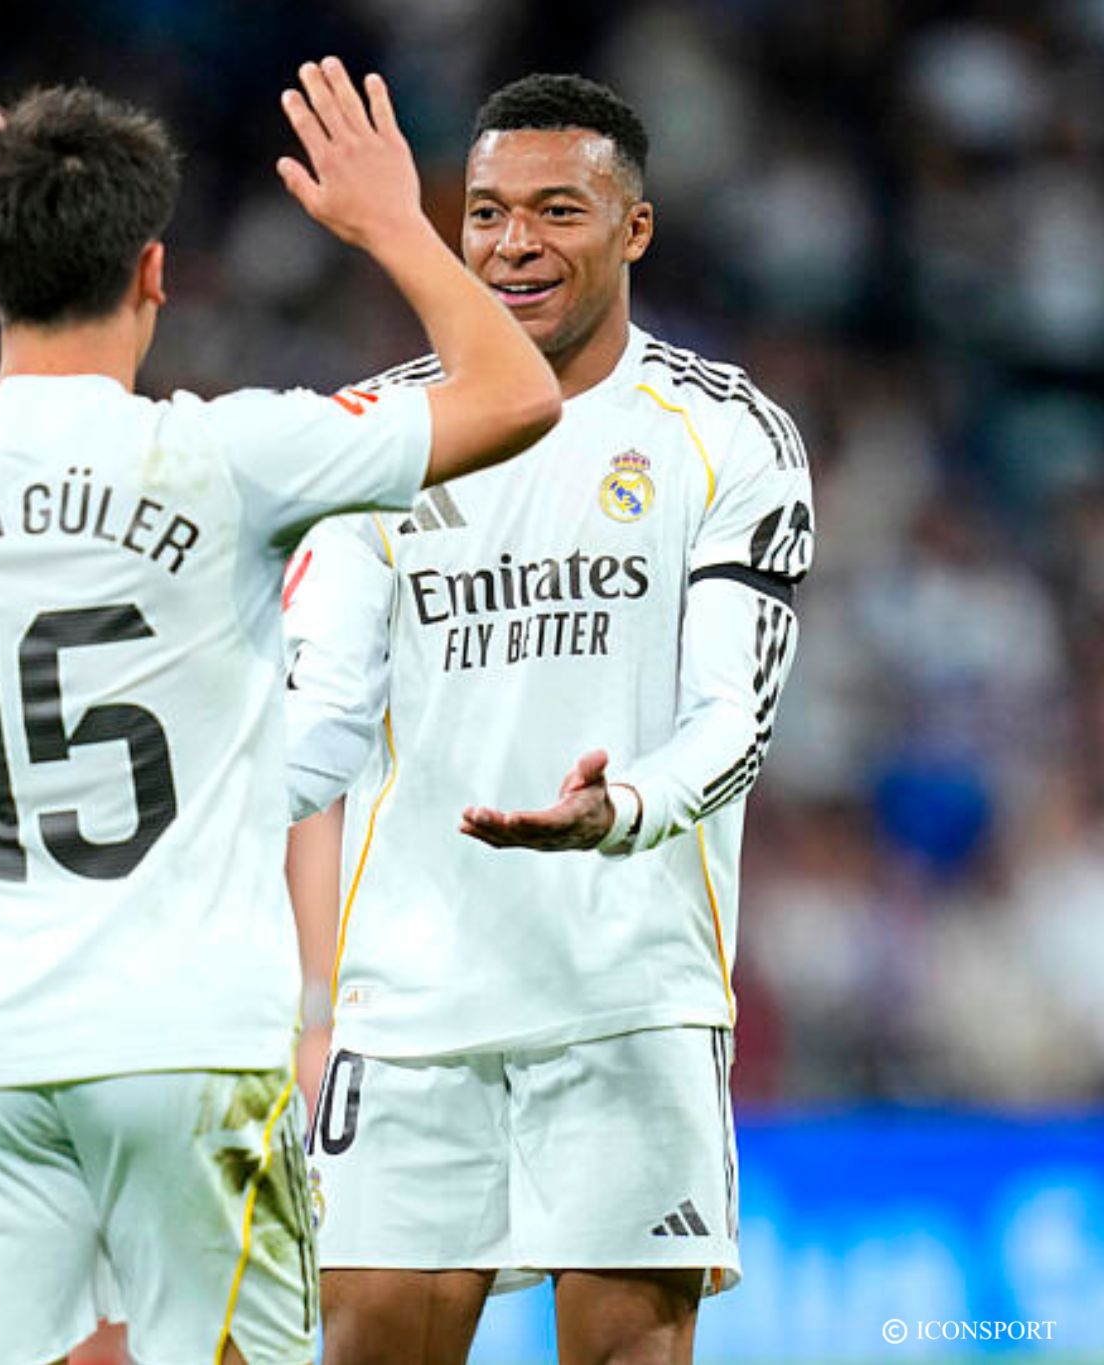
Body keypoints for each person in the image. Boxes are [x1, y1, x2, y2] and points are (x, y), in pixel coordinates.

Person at [0, 67, 559, 1365]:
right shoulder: (232, 455)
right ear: (154, 272)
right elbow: (515, 397)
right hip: (190, 1040)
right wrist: (396, 224)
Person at [283, 73, 816, 1365]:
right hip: (410, 1000)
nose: (513, 242)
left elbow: (732, 718)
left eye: (556, 210)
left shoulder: (723, 433)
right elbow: (323, 722)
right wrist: (182, 823)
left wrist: (620, 809)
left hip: (627, 993)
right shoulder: (379, 435)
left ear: (635, 227)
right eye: (485, 213)